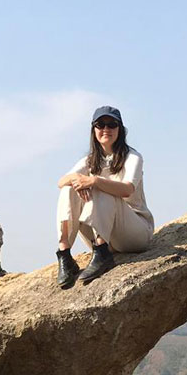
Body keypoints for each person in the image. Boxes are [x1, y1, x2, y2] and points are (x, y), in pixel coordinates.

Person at [55, 105, 154, 288]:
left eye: (111, 124)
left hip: (135, 232)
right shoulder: (90, 160)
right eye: (100, 124)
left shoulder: (132, 157)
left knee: (99, 186)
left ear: (120, 130)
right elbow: (61, 181)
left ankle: (102, 253)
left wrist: (94, 181)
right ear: (94, 130)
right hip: (106, 232)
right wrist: (77, 178)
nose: (106, 129)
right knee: (69, 188)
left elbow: (127, 189)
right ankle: (65, 254)